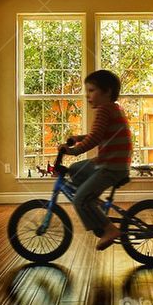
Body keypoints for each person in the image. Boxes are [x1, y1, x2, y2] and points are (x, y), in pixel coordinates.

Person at [59, 70, 133, 250]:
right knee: (76, 169)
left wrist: (72, 150)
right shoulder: (114, 108)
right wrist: (78, 137)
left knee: (79, 200)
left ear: (106, 92)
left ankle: (109, 229)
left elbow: (95, 138)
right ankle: (90, 199)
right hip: (111, 162)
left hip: (110, 167)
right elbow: (99, 133)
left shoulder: (104, 110)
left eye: (91, 90)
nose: (87, 95)